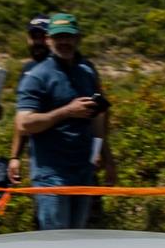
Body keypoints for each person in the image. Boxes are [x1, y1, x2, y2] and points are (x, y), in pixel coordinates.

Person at [14, 12, 110, 230]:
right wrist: (66, 111)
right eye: (59, 37)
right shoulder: (37, 76)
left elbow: (97, 117)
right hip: (52, 174)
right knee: (56, 240)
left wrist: (101, 153)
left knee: (77, 239)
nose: (64, 42)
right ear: (48, 40)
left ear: (78, 39)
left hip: (83, 171)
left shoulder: (86, 72)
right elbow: (24, 123)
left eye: (68, 36)